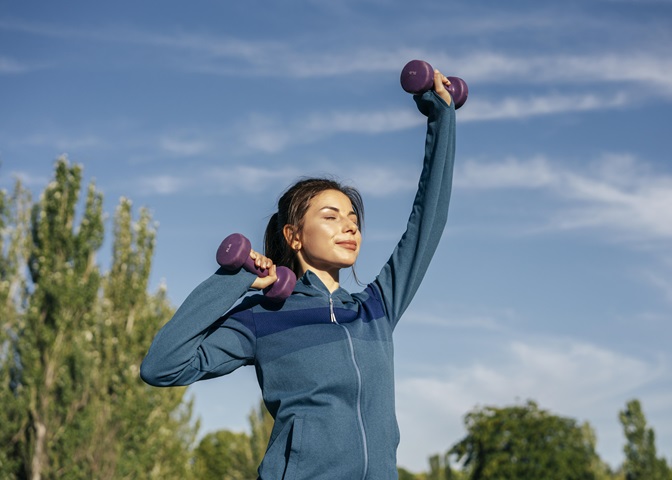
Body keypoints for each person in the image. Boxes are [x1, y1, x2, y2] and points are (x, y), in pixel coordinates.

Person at [140, 69, 457, 480]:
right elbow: (162, 367)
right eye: (331, 216)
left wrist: (442, 119)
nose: (350, 227)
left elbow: (427, 223)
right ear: (293, 236)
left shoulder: (375, 309)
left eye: (353, 219)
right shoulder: (263, 317)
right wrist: (232, 280)